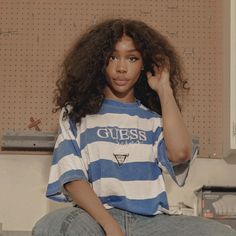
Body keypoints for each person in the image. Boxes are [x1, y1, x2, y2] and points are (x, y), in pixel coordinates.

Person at [32, 18, 236, 236]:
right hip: (96, 219)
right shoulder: (77, 115)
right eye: (112, 57)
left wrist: (164, 88)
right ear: (98, 62)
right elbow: (72, 179)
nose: (121, 68)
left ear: (143, 64)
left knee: (222, 233)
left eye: (132, 58)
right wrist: (111, 226)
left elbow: (180, 153)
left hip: (151, 222)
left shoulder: (154, 120)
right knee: (52, 226)